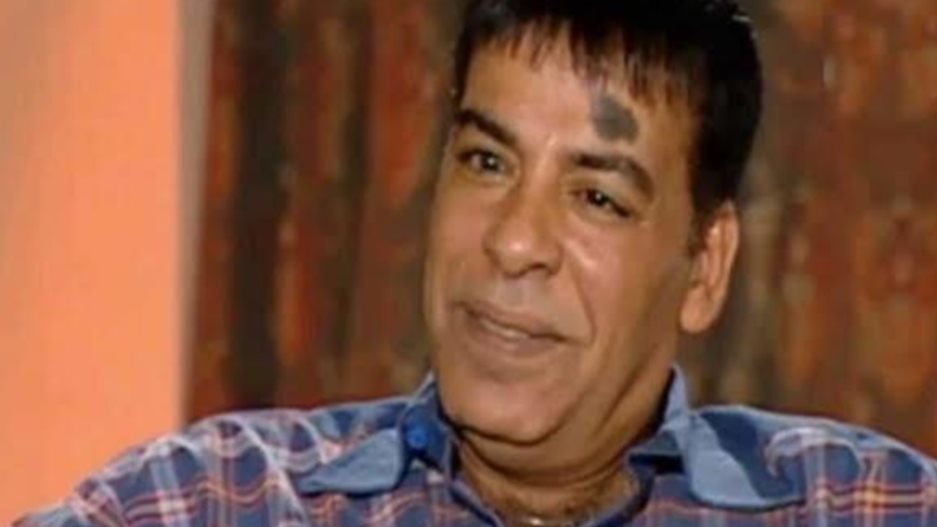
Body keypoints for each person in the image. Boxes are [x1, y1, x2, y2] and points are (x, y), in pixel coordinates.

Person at [19, 0, 937, 526]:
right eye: (487, 162)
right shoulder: (225, 498)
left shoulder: (857, 506)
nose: (513, 242)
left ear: (704, 267)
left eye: (597, 197)